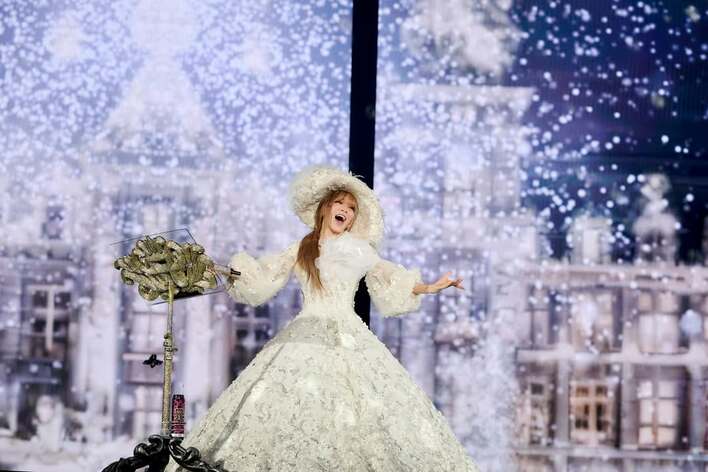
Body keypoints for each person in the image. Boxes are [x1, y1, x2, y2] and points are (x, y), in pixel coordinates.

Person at [166, 165, 480, 471]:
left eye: (352, 208)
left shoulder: (359, 250)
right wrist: (226, 271)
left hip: (348, 335)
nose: (346, 210)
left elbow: (389, 277)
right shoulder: (302, 247)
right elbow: (265, 274)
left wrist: (431, 287)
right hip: (303, 333)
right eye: (340, 203)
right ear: (326, 208)